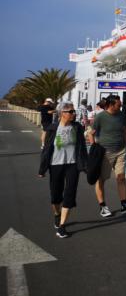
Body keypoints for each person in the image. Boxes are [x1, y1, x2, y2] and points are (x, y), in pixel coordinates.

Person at [38, 102, 88, 238]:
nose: (73, 114)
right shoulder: (52, 129)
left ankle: (62, 226)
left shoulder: (77, 127)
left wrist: (85, 164)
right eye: (70, 111)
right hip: (56, 165)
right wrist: (42, 169)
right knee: (55, 195)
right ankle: (57, 214)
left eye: (73, 111)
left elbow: (82, 148)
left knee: (70, 194)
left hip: (72, 165)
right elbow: (47, 150)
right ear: (62, 114)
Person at [90, 95, 126, 216]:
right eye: (119, 104)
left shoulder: (121, 115)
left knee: (121, 177)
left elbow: (124, 131)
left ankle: (124, 205)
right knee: (102, 180)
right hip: (105, 153)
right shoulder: (100, 117)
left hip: (121, 151)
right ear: (111, 105)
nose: (121, 106)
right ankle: (103, 206)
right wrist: (94, 148)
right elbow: (91, 133)